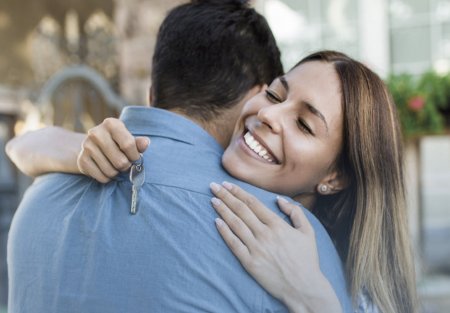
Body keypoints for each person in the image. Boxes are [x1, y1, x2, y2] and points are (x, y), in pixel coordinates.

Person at [6, 1, 352, 313]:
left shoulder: (40, 196)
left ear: (152, 92)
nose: (270, 118)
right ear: (254, 97)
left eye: (304, 124)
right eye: (276, 96)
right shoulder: (289, 242)